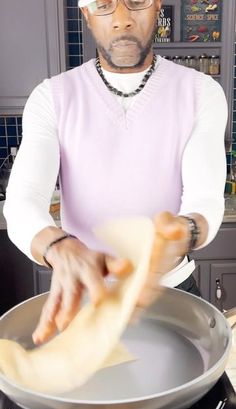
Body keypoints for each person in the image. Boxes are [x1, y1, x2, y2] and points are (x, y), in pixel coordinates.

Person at [3, 0, 227, 345]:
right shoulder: (51, 97)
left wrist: (183, 232)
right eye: (104, 5)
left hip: (172, 289)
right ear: (87, 16)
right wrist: (59, 246)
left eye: (135, 2)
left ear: (157, 7)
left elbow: (206, 198)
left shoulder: (202, 92)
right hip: (84, 295)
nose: (122, 20)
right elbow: (23, 202)